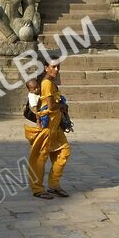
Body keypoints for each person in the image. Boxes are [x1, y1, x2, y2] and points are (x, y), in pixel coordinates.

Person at [24, 61, 72, 200]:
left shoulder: (52, 83)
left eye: (58, 67)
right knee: (40, 157)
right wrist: (62, 105)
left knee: (64, 151)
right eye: (53, 67)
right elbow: (51, 106)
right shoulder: (46, 84)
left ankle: (54, 184)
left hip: (55, 127)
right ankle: (37, 188)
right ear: (46, 68)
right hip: (45, 127)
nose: (56, 69)